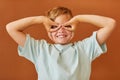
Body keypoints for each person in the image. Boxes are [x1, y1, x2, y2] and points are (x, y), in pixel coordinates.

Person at [6, 6, 116, 80]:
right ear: (48, 30)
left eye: (67, 25)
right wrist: (40, 19)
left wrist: (78, 18)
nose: (61, 30)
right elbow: (11, 28)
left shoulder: (85, 48)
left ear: (74, 27)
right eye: (54, 26)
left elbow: (110, 24)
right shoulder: (39, 49)